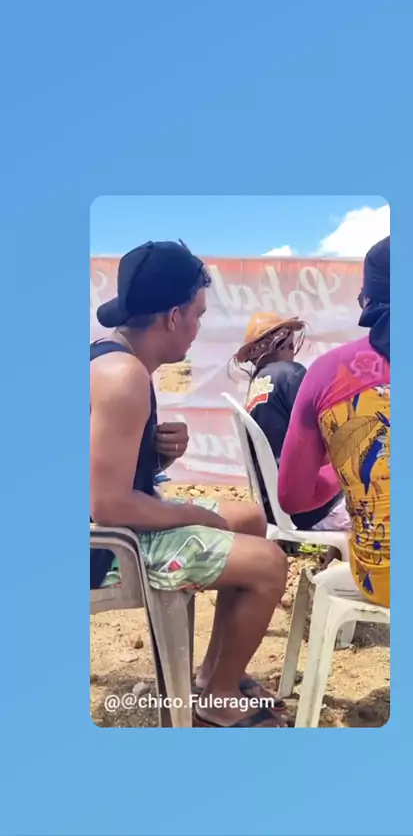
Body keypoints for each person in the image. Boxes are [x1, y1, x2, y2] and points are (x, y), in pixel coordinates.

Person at [90, 240, 289, 727]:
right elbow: (108, 504)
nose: (199, 327)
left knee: (248, 517)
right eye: (198, 315)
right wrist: (191, 513)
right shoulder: (123, 376)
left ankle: (214, 674)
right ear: (174, 316)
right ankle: (218, 700)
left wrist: (156, 453)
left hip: (108, 528)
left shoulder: (111, 359)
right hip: (103, 551)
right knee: (268, 564)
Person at [278, 237, 390, 607]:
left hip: (382, 579)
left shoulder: (327, 373)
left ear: (368, 299)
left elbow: (292, 498)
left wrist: (347, 470)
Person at [231, 312, 351, 538]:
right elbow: (328, 440)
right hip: (309, 508)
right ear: (283, 341)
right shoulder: (291, 374)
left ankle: (336, 558)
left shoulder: (257, 386)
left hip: (273, 507)